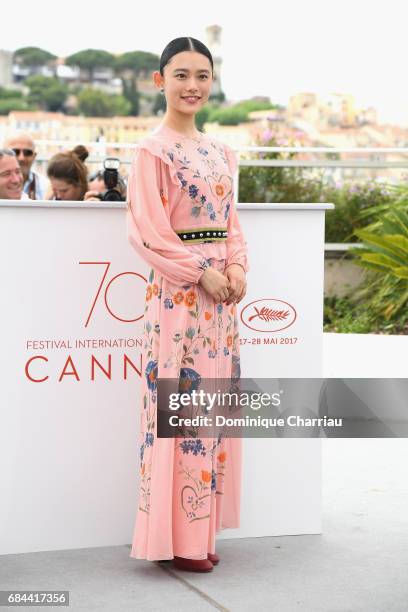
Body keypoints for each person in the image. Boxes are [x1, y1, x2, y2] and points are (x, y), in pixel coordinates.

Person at [126, 37, 249, 573]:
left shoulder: (223, 153)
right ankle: (173, 539)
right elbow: (148, 232)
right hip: (179, 301)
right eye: (181, 75)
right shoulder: (151, 151)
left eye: (202, 75)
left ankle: (198, 532)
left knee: (213, 411)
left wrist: (237, 267)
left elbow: (232, 222)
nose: (192, 85)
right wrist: (203, 273)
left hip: (222, 304)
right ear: (160, 81)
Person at [4, 133, 48, 200]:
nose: (21, 158)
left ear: (34, 156)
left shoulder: (45, 186)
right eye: (15, 152)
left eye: (27, 152)